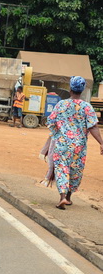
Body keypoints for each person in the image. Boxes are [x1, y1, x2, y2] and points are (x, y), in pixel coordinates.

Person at [43, 76, 103, 210]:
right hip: (79, 146)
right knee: (75, 170)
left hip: (62, 144)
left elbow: (51, 122)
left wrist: (58, 133)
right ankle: (69, 198)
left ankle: (62, 197)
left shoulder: (61, 104)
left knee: (62, 169)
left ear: (70, 88)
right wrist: (101, 143)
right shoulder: (87, 107)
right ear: (81, 91)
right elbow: (93, 127)